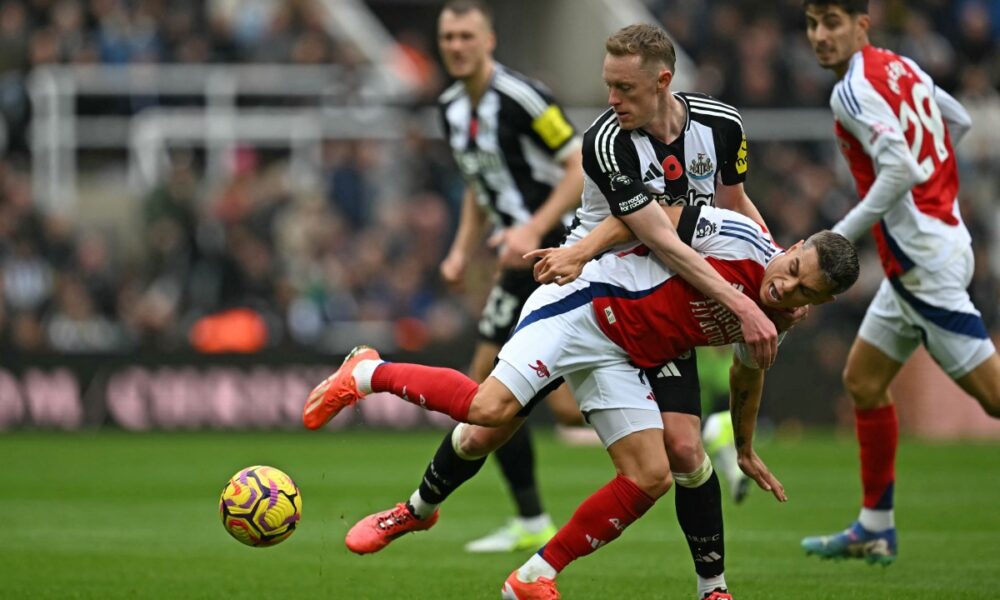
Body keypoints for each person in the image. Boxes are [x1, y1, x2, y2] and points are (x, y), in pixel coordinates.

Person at [326, 23, 785, 600]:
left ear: (663, 80)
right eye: (607, 85)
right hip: (587, 294)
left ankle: (706, 587)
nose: (610, 100)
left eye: (623, 87)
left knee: (679, 457)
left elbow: (735, 206)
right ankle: (414, 497)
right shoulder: (607, 140)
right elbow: (657, 233)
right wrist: (742, 299)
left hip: (659, 312)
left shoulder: (720, 125)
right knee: (485, 424)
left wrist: (772, 269)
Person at [303, 203, 860, 599]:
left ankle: (532, 577)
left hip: (626, 355)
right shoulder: (736, 237)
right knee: (487, 416)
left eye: (807, 291)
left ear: (821, 302)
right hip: (585, 304)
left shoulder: (781, 315)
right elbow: (644, 216)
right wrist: (578, 252)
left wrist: (745, 446)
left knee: (652, 475)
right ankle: (367, 372)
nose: (787, 287)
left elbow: (747, 374)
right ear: (791, 248)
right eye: (792, 271)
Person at [798, 0, 1000, 565]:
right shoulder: (900, 66)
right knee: (863, 380)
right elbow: (953, 120)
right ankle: (875, 526)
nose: (820, 36)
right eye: (813, 24)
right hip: (938, 243)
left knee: (995, 399)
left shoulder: (852, 91)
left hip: (923, 264)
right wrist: (928, 196)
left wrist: (832, 239)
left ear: (863, 24)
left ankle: (875, 526)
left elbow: (900, 171)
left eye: (832, 23)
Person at [434, 0, 585, 552]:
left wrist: (533, 230)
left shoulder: (524, 98)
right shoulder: (450, 107)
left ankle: (530, 519)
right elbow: (479, 186)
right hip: (520, 262)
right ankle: (699, 434)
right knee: (557, 403)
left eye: (466, 36)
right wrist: (459, 251)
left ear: (489, 40)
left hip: (559, 254)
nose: (456, 46)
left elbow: (579, 166)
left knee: (489, 392)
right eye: (448, 36)